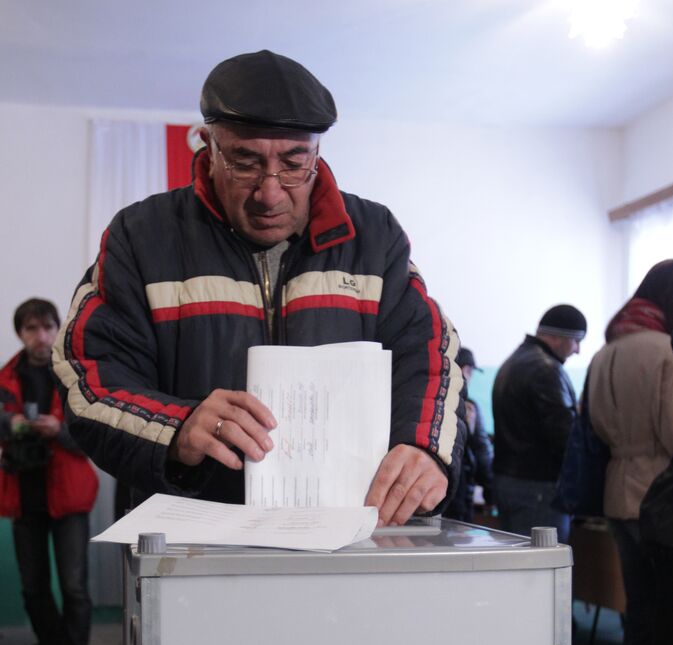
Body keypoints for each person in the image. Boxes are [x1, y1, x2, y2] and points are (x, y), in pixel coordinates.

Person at [52, 50, 465, 526]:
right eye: (244, 163)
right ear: (208, 148)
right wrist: (177, 427)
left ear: (317, 153)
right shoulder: (142, 237)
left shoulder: (374, 236)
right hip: (192, 548)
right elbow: (88, 378)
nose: (270, 193)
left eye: (294, 164)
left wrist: (425, 448)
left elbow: (432, 353)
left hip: (350, 540)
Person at [587, 260, 673, 645]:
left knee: (639, 631)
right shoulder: (664, 352)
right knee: (667, 635)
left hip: (619, 499)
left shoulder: (605, 352)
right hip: (662, 502)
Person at [0, 299, 98, 645]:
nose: (40, 336)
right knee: (33, 588)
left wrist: (57, 429)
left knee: (74, 588)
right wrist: (13, 424)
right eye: (30, 329)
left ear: (58, 329)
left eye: (46, 327)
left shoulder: (74, 376)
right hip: (24, 494)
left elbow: (92, 439)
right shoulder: (7, 377)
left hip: (68, 496)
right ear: (20, 333)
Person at [492, 304, 586, 542]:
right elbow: (565, 435)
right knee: (542, 572)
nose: (577, 350)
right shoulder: (547, 371)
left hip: (508, 481)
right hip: (538, 489)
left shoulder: (512, 362)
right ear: (557, 337)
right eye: (576, 341)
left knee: (516, 566)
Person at [445, 347, 493, 522]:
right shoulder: (469, 408)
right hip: (459, 490)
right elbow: (482, 452)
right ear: (465, 370)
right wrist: (490, 491)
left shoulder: (427, 404)